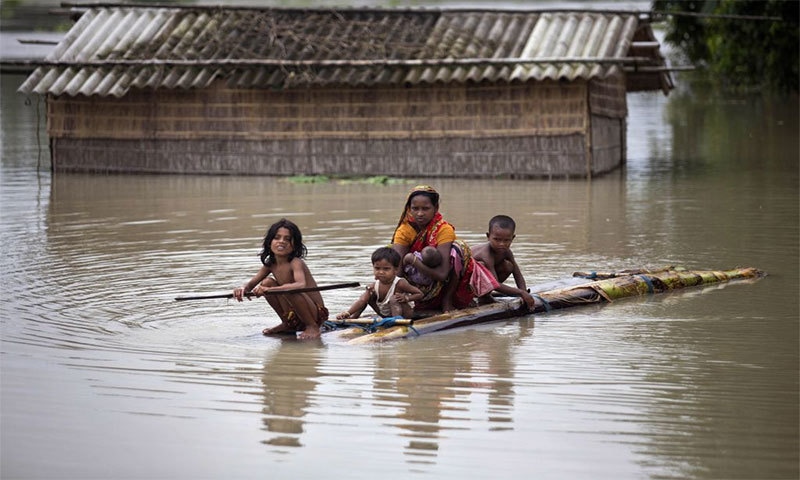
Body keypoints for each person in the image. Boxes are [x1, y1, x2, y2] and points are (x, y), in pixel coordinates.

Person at [391, 185, 493, 312]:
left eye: (425, 209)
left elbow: (442, 274)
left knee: (459, 248)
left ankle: (447, 300)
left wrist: (413, 261)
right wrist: (397, 299)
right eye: (415, 209)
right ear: (409, 209)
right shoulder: (404, 230)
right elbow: (397, 271)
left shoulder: (444, 229)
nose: (420, 214)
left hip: (441, 282)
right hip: (415, 288)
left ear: (436, 208)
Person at [233, 218, 328, 340]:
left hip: (316, 314)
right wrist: (242, 290)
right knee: (267, 282)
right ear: (269, 242)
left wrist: (268, 290)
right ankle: (288, 324)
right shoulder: (270, 264)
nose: (281, 242)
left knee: (289, 289)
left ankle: (312, 326)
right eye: (277, 238)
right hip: (295, 313)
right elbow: (251, 285)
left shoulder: (295, 262)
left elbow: (300, 285)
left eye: (287, 239)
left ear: (295, 245)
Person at [337, 247, 424, 320]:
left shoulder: (400, 283)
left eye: (386, 269)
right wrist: (347, 313)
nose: (381, 272)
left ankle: (396, 321)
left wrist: (406, 298)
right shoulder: (374, 286)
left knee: (394, 298)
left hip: (404, 315)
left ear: (395, 270)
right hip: (385, 314)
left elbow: (419, 294)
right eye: (377, 268)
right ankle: (353, 317)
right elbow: (362, 301)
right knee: (367, 296)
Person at [471, 215, 536, 309]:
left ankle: (485, 296)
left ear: (512, 238)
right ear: (488, 237)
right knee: (482, 266)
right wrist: (520, 292)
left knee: (509, 266)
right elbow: (495, 284)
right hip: (464, 285)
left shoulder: (507, 252)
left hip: (486, 283)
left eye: (506, 240)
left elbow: (517, 274)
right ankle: (477, 297)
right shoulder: (486, 254)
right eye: (497, 239)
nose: (501, 244)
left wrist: (524, 292)